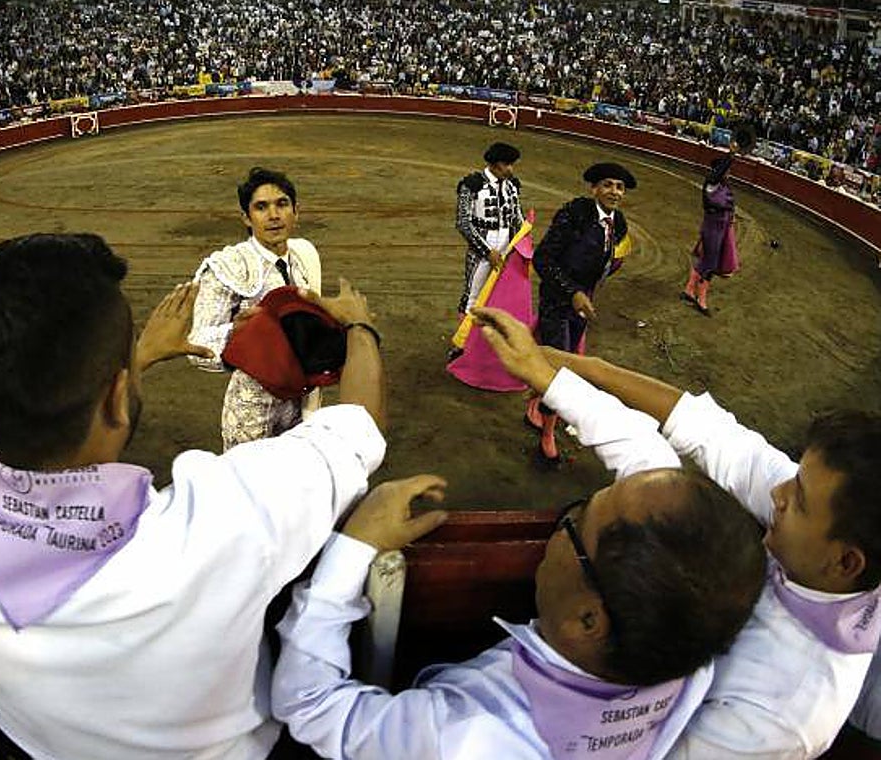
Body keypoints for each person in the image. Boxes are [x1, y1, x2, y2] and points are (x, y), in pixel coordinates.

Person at [0, 233, 387, 760]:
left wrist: (143, 355)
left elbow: (25, 406)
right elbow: (359, 428)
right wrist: (358, 324)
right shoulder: (217, 524)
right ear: (116, 395)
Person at [272, 308, 766, 760]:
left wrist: (352, 548)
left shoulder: (468, 738)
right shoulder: (687, 651)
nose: (560, 526)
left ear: (589, 619)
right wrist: (548, 378)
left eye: (573, 522)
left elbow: (311, 705)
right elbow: (649, 464)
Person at [516, 323, 881, 759]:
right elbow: (714, 437)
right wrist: (584, 372)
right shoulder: (822, 546)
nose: (777, 494)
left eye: (798, 499)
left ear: (845, 563)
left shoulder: (780, 716)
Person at [188, 166, 323, 450]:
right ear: (246, 218)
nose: (274, 215)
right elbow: (196, 345)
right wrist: (241, 335)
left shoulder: (304, 257)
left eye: (282, 204)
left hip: (301, 401)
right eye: (261, 207)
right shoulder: (229, 266)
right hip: (252, 407)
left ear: (296, 212)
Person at [528, 162, 634, 462]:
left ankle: (537, 405)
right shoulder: (573, 215)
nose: (614, 192)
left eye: (619, 187)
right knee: (562, 372)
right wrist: (572, 291)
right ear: (594, 189)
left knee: (565, 359)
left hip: (582, 301)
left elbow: (613, 258)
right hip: (557, 301)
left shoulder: (619, 222)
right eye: (608, 185)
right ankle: (548, 433)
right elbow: (543, 259)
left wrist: (589, 287)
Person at [448, 141, 535, 391]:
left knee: (498, 296)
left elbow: (516, 217)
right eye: (509, 164)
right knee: (473, 297)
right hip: (482, 249)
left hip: (507, 247)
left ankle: (482, 347)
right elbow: (463, 223)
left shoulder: (512, 186)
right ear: (498, 164)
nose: (512, 169)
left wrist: (522, 245)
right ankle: (461, 345)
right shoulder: (471, 185)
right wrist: (487, 251)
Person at [681, 156, 739, 316]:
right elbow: (716, 176)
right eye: (726, 170)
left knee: (706, 261)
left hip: (720, 228)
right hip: (713, 228)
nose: (729, 173)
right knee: (710, 264)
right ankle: (701, 300)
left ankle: (689, 290)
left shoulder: (721, 186)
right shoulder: (712, 184)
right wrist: (731, 154)